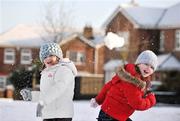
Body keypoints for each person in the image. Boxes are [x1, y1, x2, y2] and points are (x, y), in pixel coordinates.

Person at [90, 50, 158, 121]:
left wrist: (98, 100)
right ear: (138, 63)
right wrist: (151, 99)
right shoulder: (134, 81)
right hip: (111, 117)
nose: (148, 68)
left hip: (109, 113)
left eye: (152, 67)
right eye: (146, 64)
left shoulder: (127, 72)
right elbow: (137, 104)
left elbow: (108, 86)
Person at [38, 42, 77, 121]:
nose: (48, 58)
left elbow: (58, 88)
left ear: (58, 57)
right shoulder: (45, 73)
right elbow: (45, 93)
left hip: (61, 115)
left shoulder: (64, 70)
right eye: (45, 56)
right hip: (48, 114)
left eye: (51, 55)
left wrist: (44, 101)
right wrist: (31, 95)